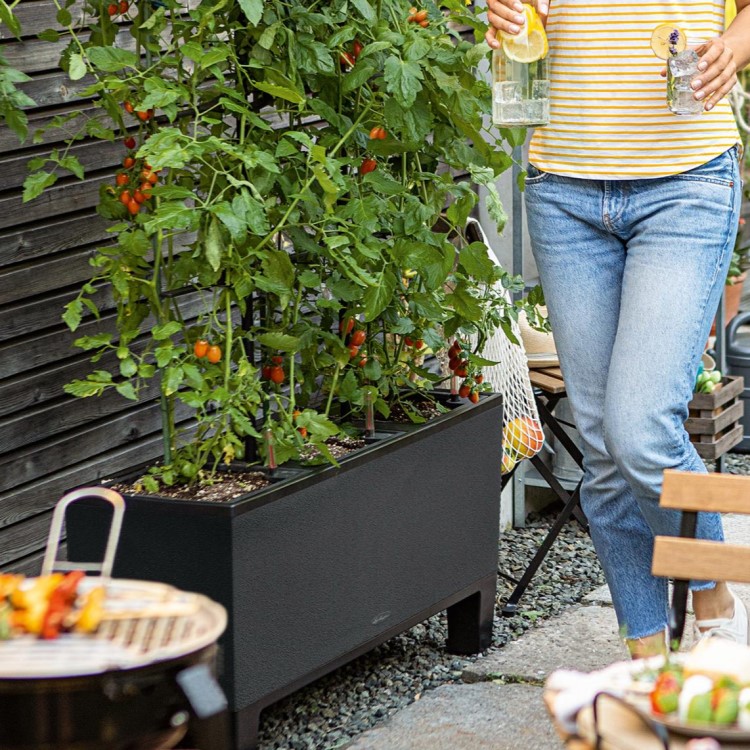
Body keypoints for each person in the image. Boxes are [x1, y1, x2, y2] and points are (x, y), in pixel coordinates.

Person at [485, 0, 750, 657]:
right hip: (564, 190)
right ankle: (647, 657)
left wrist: (737, 45)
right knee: (601, 444)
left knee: (638, 428)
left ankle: (715, 596)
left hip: (685, 186)